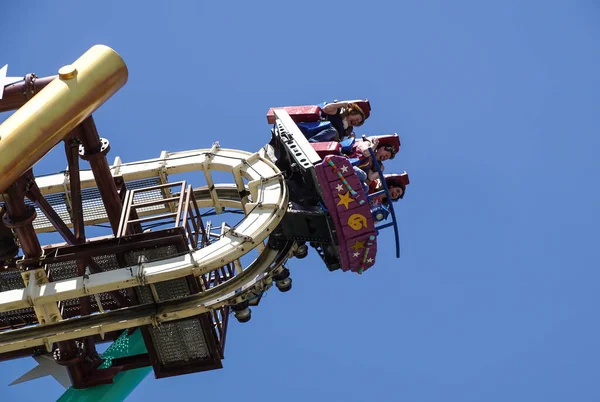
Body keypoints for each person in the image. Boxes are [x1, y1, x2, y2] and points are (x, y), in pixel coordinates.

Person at [298, 100, 368, 143]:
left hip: (325, 143)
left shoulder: (343, 130)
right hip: (311, 130)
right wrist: (342, 104)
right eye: (357, 119)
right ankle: (312, 143)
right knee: (333, 131)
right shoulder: (338, 112)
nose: (356, 122)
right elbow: (326, 109)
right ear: (353, 112)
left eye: (358, 123)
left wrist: (351, 139)